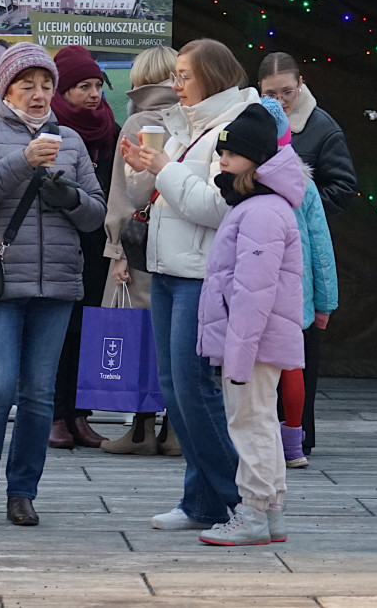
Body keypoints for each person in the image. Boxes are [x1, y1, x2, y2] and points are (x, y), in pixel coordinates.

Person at [0, 42, 106, 527]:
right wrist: (25, 162)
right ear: (7, 88)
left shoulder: (70, 140)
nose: (38, 95)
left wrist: (69, 196)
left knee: (37, 394)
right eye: (26, 86)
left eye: (46, 86)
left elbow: (94, 216)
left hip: (56, 285)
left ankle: (23, 494)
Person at [119, 38, 256, 531]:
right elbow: (170, 196)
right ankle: (201, 502)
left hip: (202, 274)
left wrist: (164, 169)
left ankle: (241, 503)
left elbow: (218, 206)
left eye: (183, 76)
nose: (174, 85)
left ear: (213, 77)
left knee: (193, 391)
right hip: (169, 269)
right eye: (174, 75)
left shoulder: (237, 126)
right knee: (175, 389)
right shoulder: (187, 124)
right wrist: (144, 172)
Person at [196, 103, 306, 545]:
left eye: (232, 153)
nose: (221, 159)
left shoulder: (261, 212)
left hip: (252, 345)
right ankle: (271, 511)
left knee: (250, 422)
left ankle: (254, 514)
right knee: (260, 419)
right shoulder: (258, 206)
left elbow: (252, 295)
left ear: (256, 160)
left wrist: (237, 358)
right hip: (257, 342)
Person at [257, 51, 357, 455]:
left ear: (301, 84)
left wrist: (297, 206)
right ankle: (263, 432)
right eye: (270, 93)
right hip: (262, 256)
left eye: (287, 91)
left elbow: (344, 188)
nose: (281, 101)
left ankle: (301, 435)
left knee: (300, 356)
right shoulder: (252, 121)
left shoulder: (322, 128)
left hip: (300, 260)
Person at [98, 45, 181, 456]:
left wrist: (116, 252)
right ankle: (175, 431)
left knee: (138, 339)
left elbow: (125, 193)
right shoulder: (192, 119)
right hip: (185, 245)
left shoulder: (137, 123)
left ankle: (140, 430)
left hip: (140, 246)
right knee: (178, 339)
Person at [258, 97, 338, 469]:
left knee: (256, 372)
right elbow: (321, 249)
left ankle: (260, 442)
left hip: (255, 296)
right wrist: (325, 303)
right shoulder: (304, 186)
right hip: (297, 298)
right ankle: (294, 443)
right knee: (293, 369)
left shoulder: (242, 184)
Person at [47, 45, 119, 450]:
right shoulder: (49, 131)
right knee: (59, 331)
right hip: (59, 243)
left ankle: (80, 415)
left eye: (97, 86)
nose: (94, 94)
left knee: (89, 331)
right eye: (83, 87)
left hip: (100, 248)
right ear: (63, 91)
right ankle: (55, 415)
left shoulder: (113, 131)